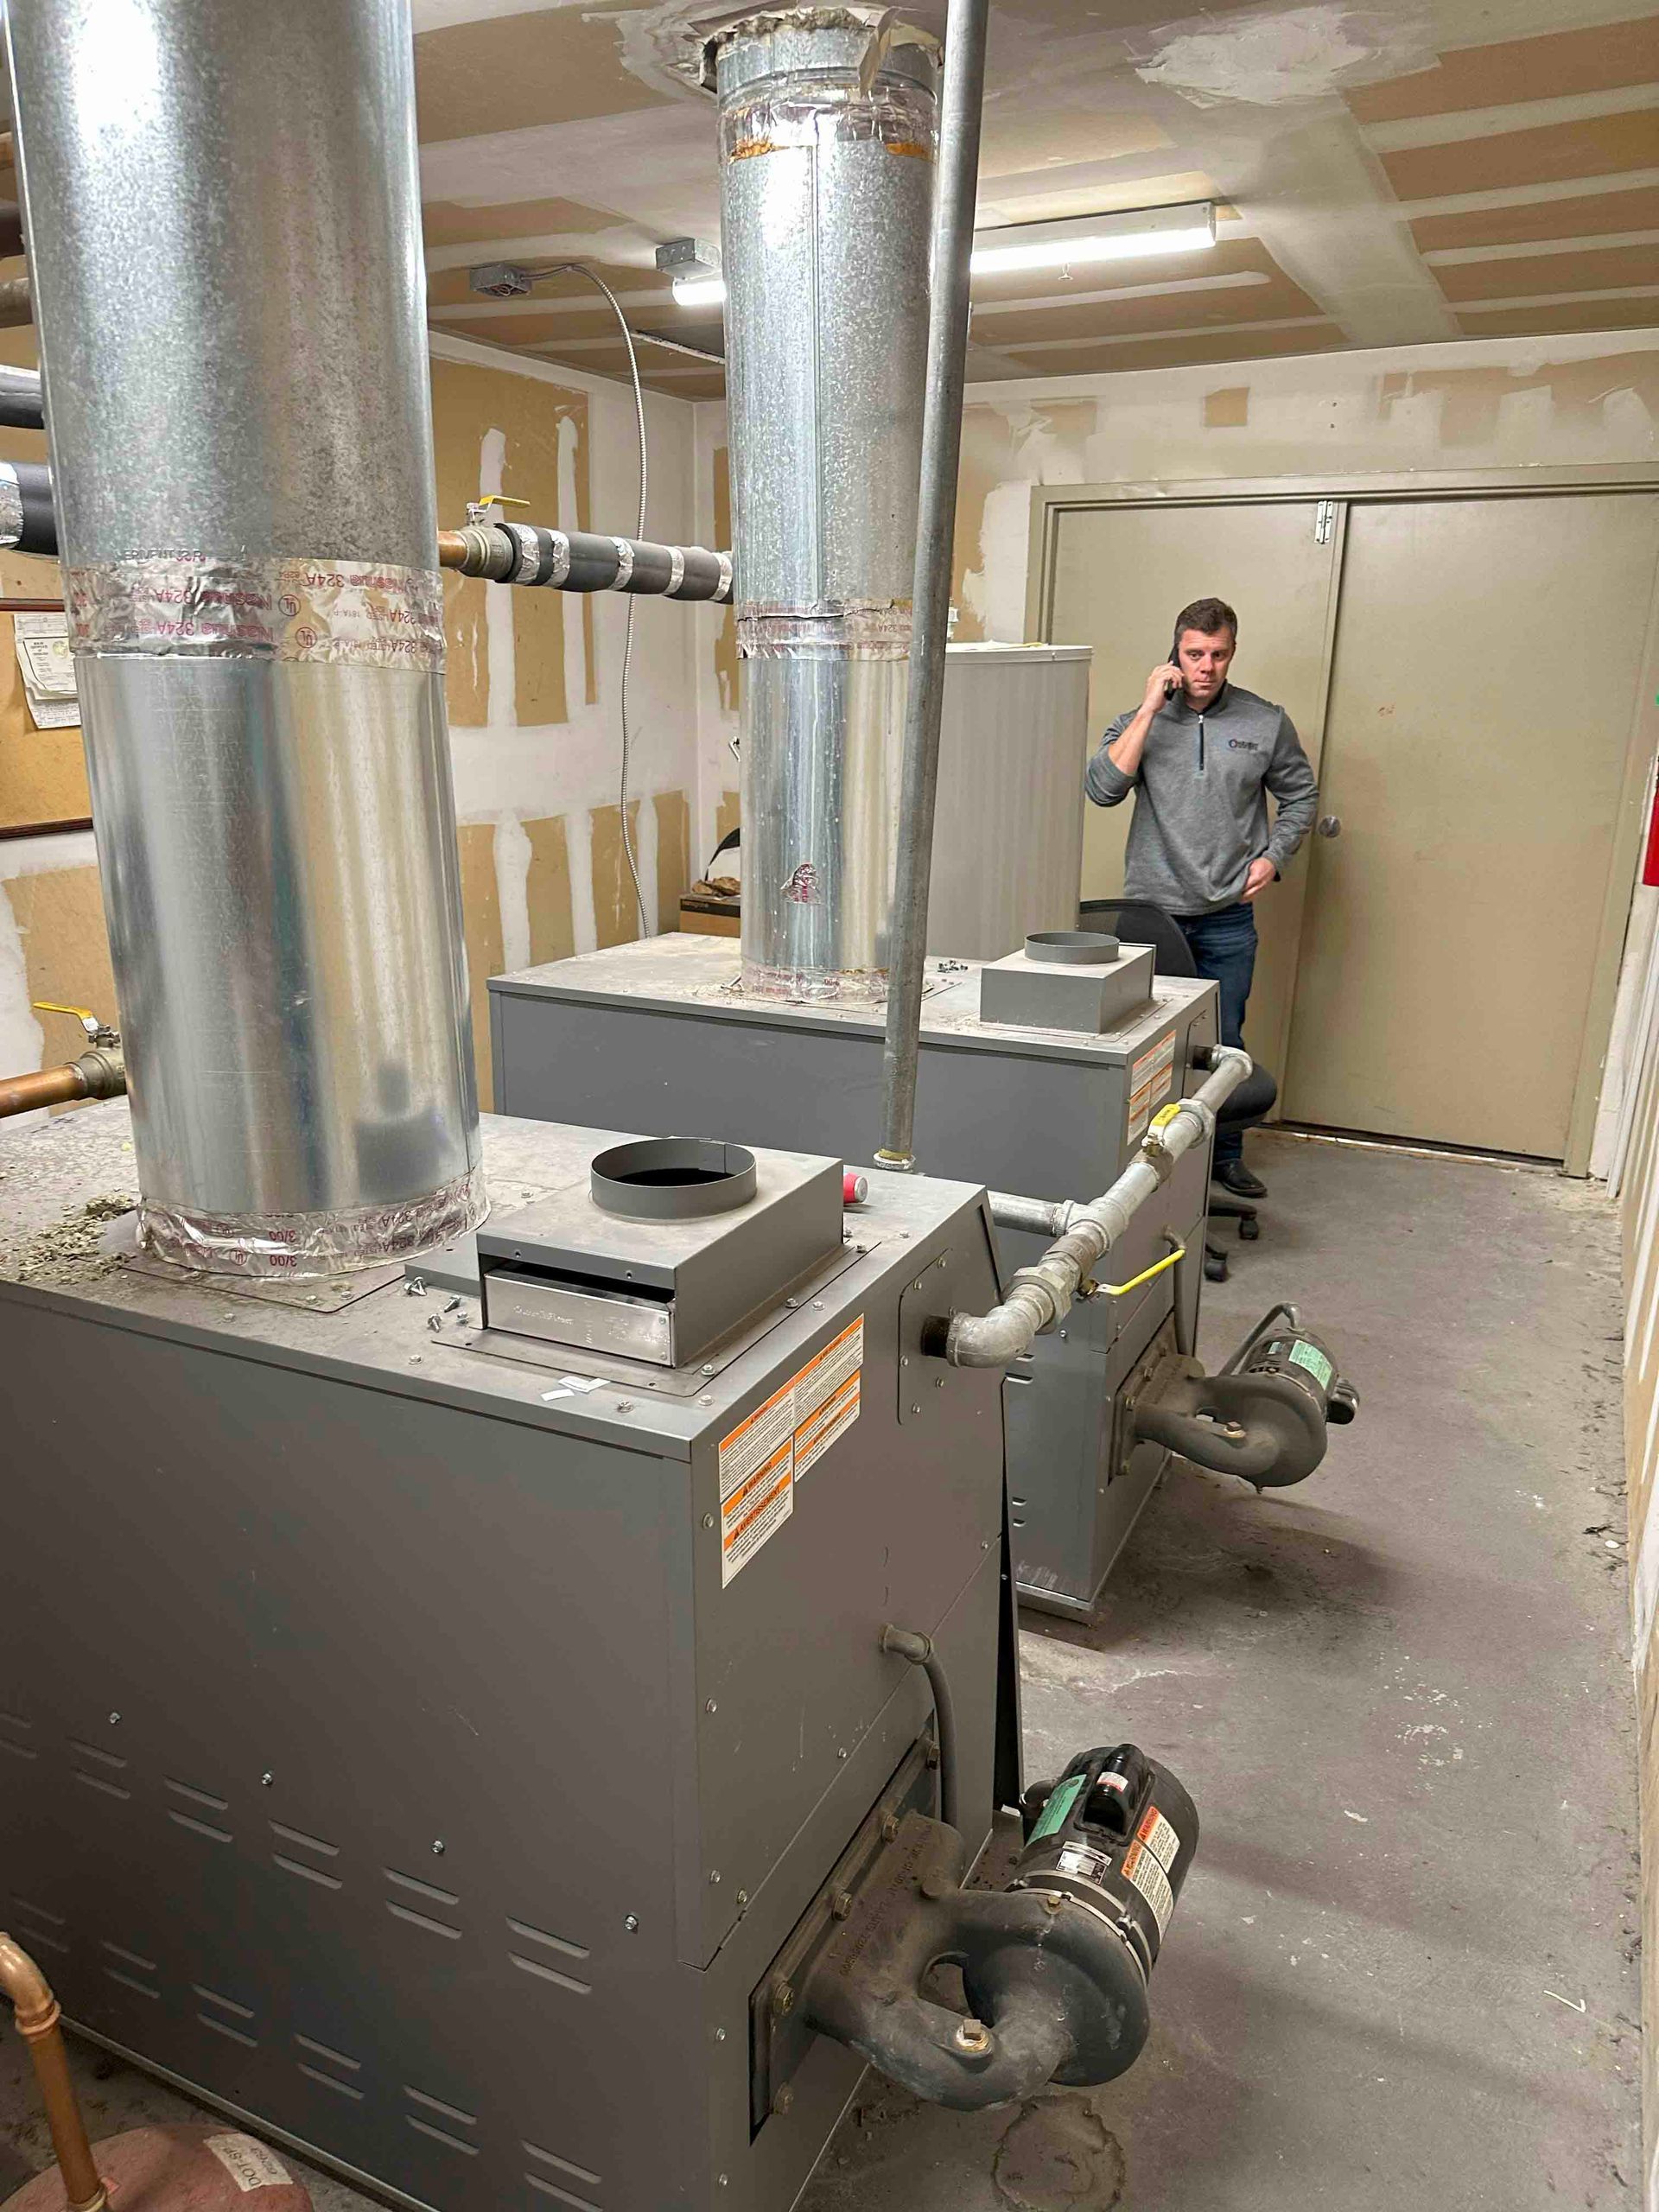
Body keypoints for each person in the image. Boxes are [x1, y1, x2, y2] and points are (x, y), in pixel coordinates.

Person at [1084, 595, 1317, 1198]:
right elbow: (1103, 789)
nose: (1205, 667)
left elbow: (1301, 796)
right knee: (1147, 1045)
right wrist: (1148, 708)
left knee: (1225, 1042)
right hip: (1152, 916)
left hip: (1227, 916)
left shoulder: (1265, 722)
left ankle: (1223, 1158)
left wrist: (1274, 856)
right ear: (1175, 653)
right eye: (1194, 654)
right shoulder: (1141, 719)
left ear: (1232, 653)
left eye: (1217, 654)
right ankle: (1145, 1168)